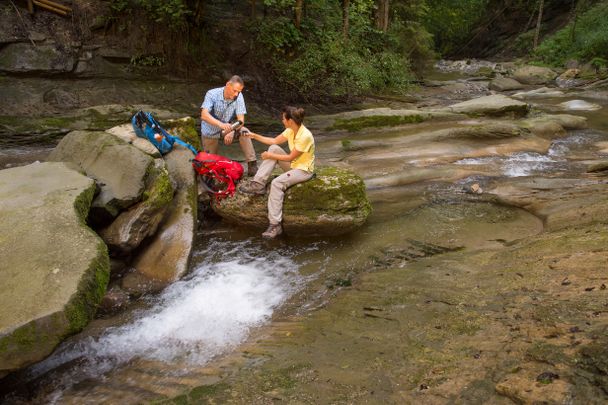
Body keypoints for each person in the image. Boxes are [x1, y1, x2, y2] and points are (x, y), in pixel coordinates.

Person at [239, 106, 315, 239]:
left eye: (283, 118)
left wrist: (270, 156)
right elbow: (274, 141)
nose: (282, 120)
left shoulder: (305, 136)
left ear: (290, 120)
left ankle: (275, 225)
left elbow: (291, 157)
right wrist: (254, 135)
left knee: (276, 183)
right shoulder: (291, 130)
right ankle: (258, 183)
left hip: (303, 170)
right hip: (293, 166)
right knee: (274, 148)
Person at [200, 75, 258, 176]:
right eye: (234, 90)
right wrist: (221, 125)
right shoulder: (212, 94)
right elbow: (204, 115)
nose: (236, 94)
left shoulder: (239, 96)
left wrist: (232, 130)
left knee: (244, 131)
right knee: (209, 164)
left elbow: (241, 121)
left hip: (228, 128)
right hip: (210, 131)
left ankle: (252, 164)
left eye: (239, 91)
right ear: (228, 85)